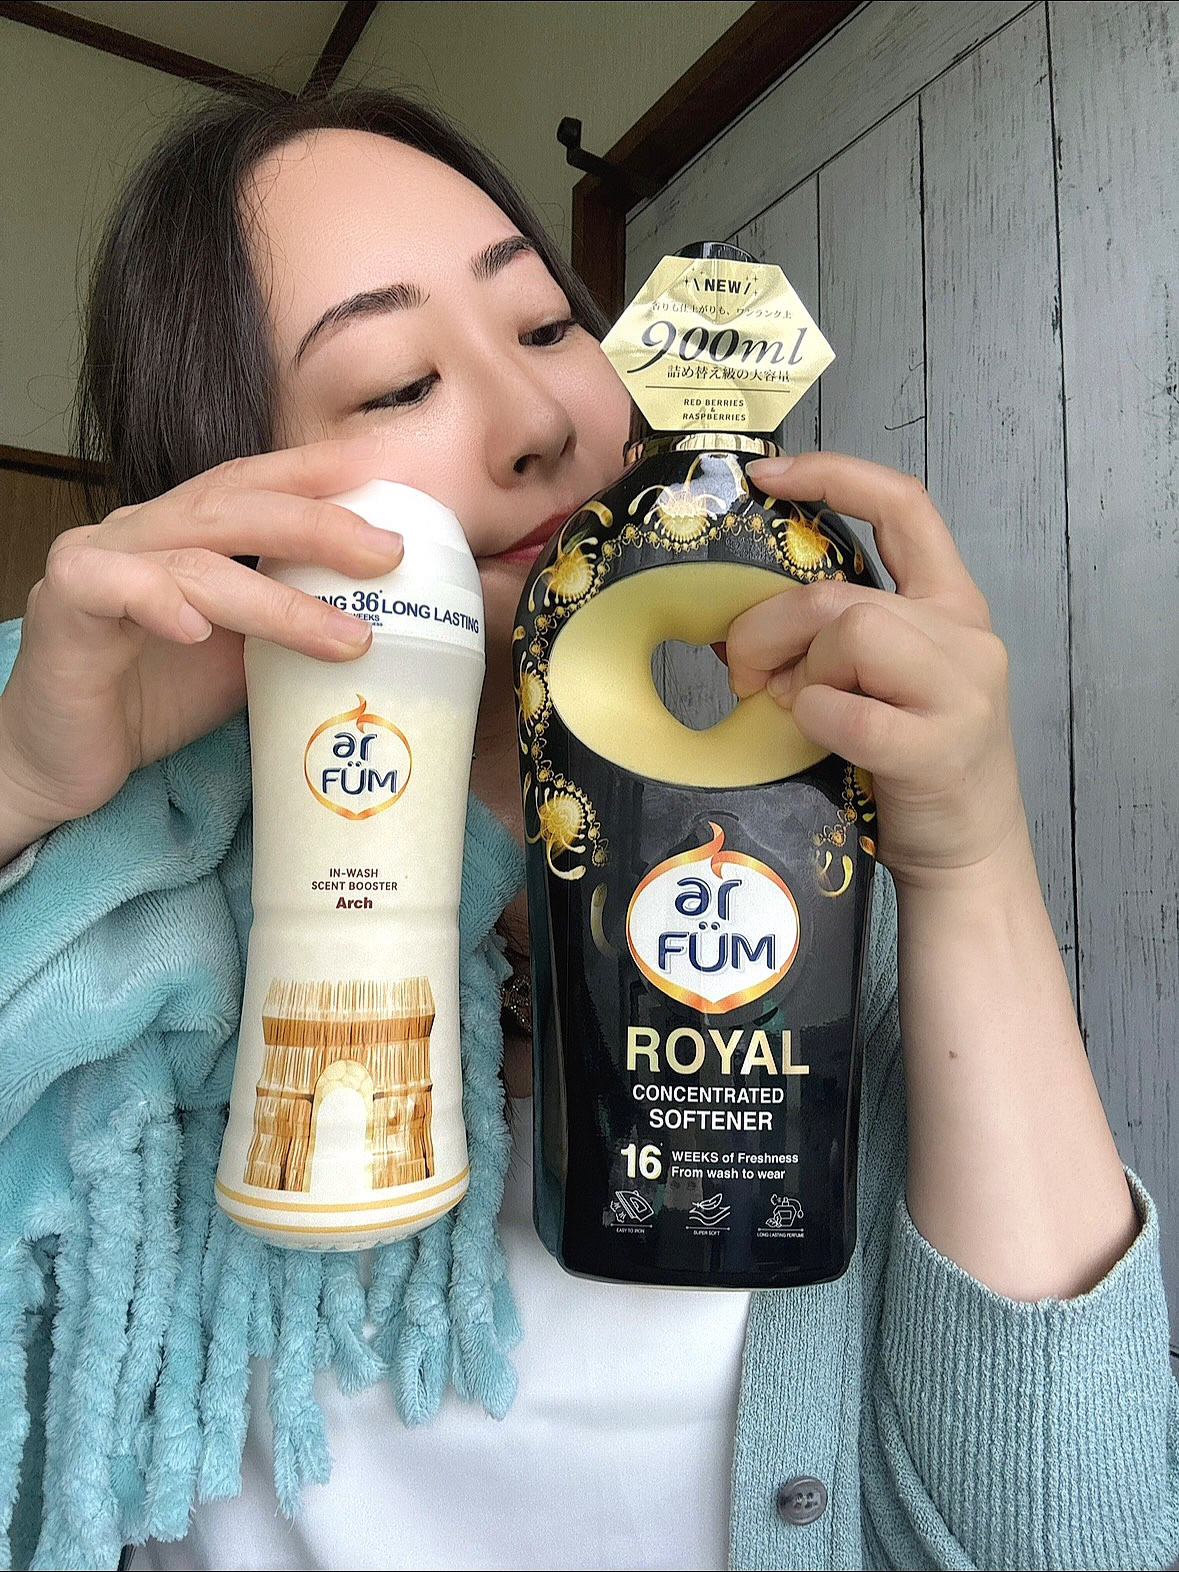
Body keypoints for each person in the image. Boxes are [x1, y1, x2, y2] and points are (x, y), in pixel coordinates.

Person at [0, 85, 1175, 1572]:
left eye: (549, 327)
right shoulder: (117, 899)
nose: (544, 422)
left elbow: (1078, 1540)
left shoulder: (814, 863)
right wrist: (22, 787)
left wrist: (971, 860)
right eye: (395, 384)